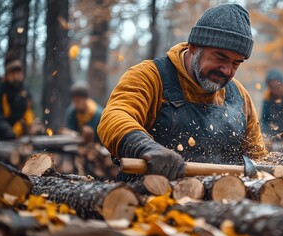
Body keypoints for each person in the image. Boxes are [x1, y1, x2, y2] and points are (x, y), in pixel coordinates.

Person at [97, 3, 267, 181]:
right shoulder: (150, 77)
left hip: (222, 204)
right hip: (147, 199)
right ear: (194, 47)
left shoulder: (239, 96)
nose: (227, 70)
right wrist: (146, 147)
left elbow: (257, 157)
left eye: (235, 63)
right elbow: (113, 117)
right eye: (220, 57)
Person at [0, 58, 34, 140]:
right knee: (8, 133)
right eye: (14, 73)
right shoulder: (0, 90)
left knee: (39, 129)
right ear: (8, 74)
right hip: (3, 125)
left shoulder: (24, 91)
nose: (16, 76)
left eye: (18, 73)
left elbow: (28, 110)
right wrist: (8, 129)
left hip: (19, 124)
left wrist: (29, 124)